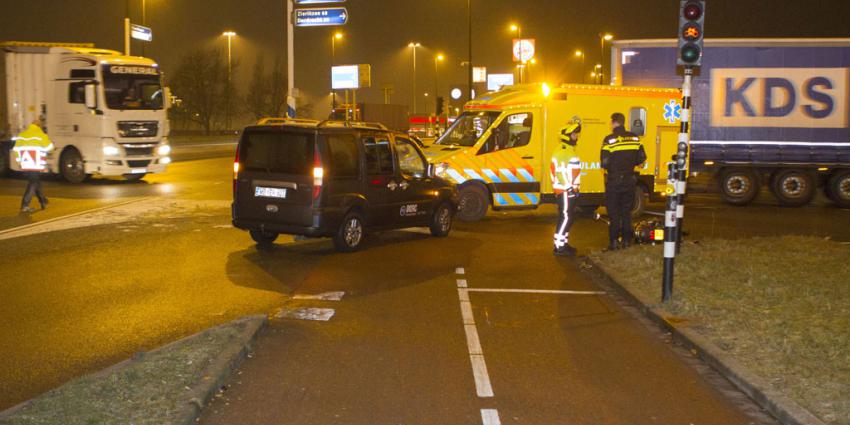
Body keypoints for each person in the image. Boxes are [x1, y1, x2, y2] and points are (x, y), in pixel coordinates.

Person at [601, 112, 646, 250]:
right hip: (630, 180)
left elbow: (604, 162)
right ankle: (627, 241)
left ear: (614, 122)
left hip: (614, 181)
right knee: (626, 212)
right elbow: (641, 159)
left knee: (614, 213)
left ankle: (614, 242)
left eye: (611, 122)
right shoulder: (634, 138)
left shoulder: (609, 140)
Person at [551, 117, 582, 256]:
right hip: (564, 191)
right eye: (574, 134)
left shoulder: (568, 150)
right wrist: (569, 188)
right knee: (565, 218)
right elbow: (559, 171)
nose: (576, 136)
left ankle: (563, 243)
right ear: (566, 135)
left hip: (568, 191)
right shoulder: (563, 150)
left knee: (569, 217)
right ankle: (559, 247)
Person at [13, 119, 54, 213]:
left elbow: (16, 150)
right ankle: (25, 205)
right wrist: (52, 145)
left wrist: (19, 162)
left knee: (35, 181)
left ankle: (43, 200)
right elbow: (49, 148)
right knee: (33, 183)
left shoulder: (22, 135)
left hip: (25, 163)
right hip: (36, 163)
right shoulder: (41, 135)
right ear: (39, 126)